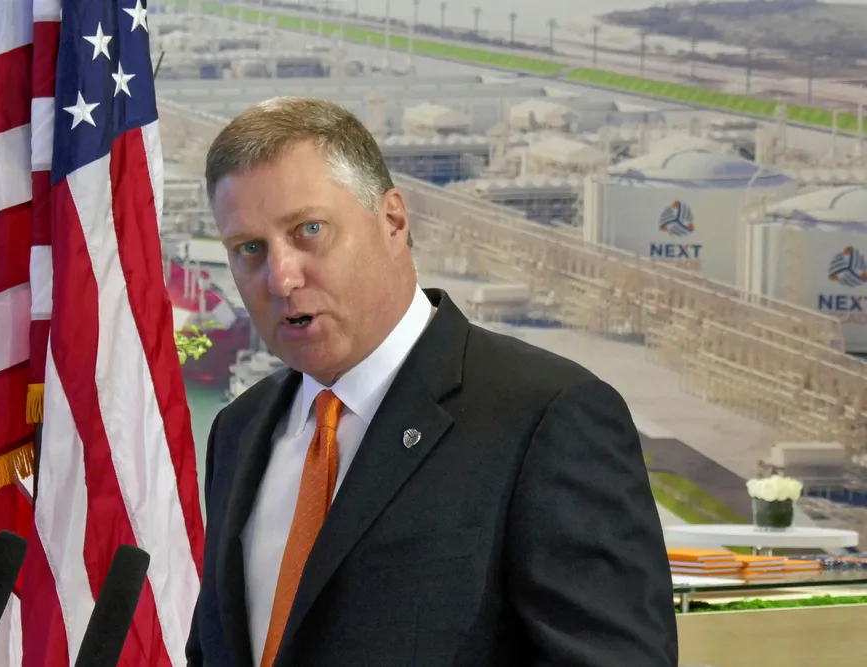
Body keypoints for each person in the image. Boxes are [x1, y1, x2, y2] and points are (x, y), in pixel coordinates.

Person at [186, 96, 677, 667]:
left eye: (309, 230)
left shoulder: (547, 417)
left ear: (393, 221)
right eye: (249, 249)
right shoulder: (239, 429)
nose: (281, 277)